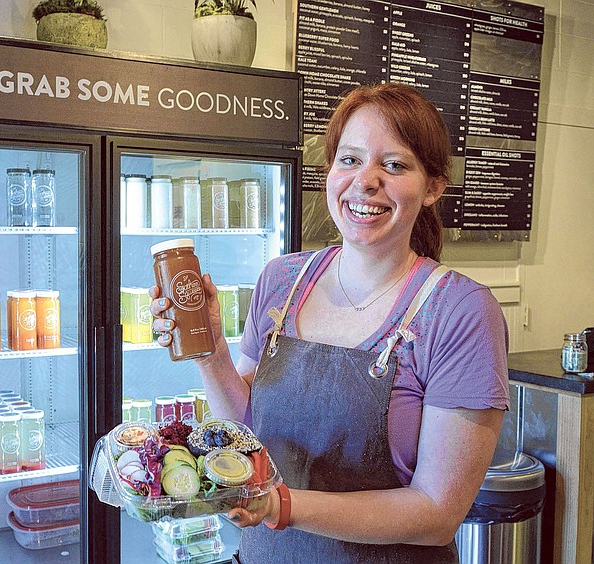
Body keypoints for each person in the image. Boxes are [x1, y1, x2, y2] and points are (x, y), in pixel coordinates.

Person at [150, 82, 509, 563]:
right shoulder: (282, 281)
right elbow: (248, 435)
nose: (366, 180)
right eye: (350, 159)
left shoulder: (459, 312)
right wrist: (211, 351)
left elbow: (437, 511)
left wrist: (282, 505)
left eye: (395, 164)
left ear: (434, 187)